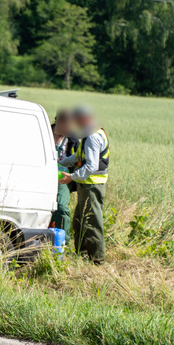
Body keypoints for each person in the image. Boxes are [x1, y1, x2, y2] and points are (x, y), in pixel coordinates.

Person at [59, 105, 109, 264]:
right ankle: (82, 255)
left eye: (77, 120)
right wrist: (61, 162)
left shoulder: (92, 137)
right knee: (79, 221)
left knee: (92, 223)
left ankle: (97, 260)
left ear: (84, 118)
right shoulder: (89, 134)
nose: (75, 124)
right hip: (86, 185)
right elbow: (78, 156)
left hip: (92, 186)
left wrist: (71, 177)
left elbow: (91, 166)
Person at [50, 109, 75, 237]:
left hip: (62, 179)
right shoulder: (45, 132)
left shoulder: (72, 139)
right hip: (44, 176)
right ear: (58, 121)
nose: (68, 129)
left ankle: (63, 241)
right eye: (66, 125)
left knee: (61, 207)